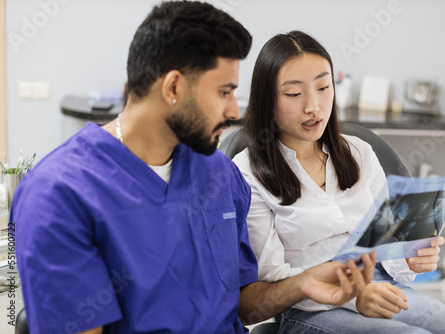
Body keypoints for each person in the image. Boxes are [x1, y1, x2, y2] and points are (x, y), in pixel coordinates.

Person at [12, 3, 375, 334]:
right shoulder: (58, 195)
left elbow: (245, 308)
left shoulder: (219, 175)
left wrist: (303, 283)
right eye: (223, 92)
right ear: (173, 87)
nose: (235, 111)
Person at [233, 30, 445, 334]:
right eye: (294, 94)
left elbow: (388, 246)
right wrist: (353, 296)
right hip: (310, 310)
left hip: (383, 288)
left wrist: (412, 258)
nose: (313, 106)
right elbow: (271, 277)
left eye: (324, 87)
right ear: (267, 100)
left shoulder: (359, 152)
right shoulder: (247, 171)